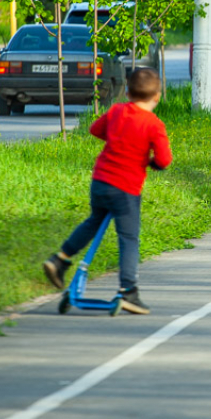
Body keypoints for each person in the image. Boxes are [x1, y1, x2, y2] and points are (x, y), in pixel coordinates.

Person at [43, 67, 172, 314]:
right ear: (157, 96)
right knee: (129, 238)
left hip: (101, 180)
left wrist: (118, 138)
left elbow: (95, 130)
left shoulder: (116, 111)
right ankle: (128, 292)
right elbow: (164, 159)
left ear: (128, 91)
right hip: (126, 188)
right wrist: (152, 162)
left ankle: (60, 259)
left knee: (94, 221)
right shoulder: (154, 124)